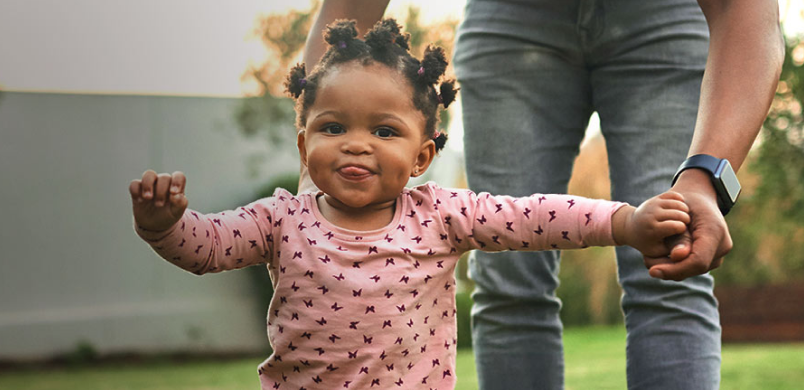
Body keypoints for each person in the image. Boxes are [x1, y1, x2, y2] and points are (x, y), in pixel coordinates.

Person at [127, 19, 697, 390]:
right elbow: (209, 248)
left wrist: (625, 221)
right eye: (332, 126)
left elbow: (537, 217)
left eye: (383, 130)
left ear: (421, 156)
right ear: (304, 146)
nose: (356, 142)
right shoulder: (281, 218)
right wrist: (166, 225)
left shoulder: (443, 216)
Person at [296, 1, 783, 388]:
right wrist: (309, 185)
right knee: (509, 279)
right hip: (511, 20)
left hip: (672, 16)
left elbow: (747, 10)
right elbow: (350, 6)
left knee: (674, 256)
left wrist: (703, 180)